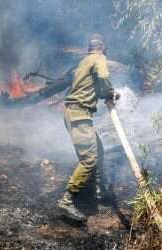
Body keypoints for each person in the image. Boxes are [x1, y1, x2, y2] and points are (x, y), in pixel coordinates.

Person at [58, 34, 120, 221]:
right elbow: (103, 77)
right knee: (89, 160)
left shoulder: (84, 61)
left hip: (73, 113)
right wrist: (111, 92)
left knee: (98, 151)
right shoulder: (99, 58)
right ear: (102, 48)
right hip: (79, 113)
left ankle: (100, 192)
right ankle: (67, 201)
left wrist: (107, 94)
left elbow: (94, 88)